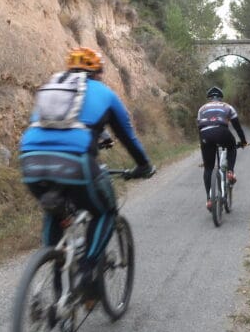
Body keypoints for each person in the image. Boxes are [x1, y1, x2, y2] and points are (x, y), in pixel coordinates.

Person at [19, 46, 155, 301]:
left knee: (56, 210)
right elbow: (128, 136)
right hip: (75, 162)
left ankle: (54, 261)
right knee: (105, 211)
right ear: (99, 73)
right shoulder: (104, 93)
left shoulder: (53, 88)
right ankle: (86, 271)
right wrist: (143, 166)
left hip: (30, 160)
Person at [197, 86, 248, 210]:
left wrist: (203, 144)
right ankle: (230, 172)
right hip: (222, 132)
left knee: (208, 168)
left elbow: (200, 128)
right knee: (231, 147)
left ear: (209, 98)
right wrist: (243, 142)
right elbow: (237, 127)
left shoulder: (202, 109)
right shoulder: (228, 107)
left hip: (205, 135)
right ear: (221, 98)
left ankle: (209, 200)